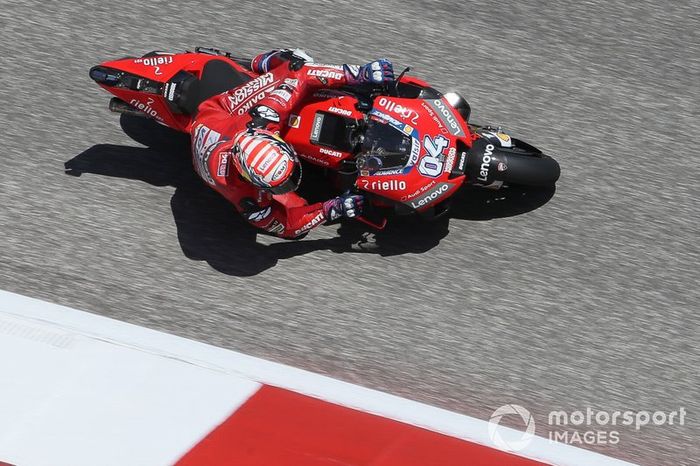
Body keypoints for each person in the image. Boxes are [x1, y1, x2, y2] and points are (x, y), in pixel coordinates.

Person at [189, 49, 395, 238]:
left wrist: (358, 74)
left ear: (275, 140)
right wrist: (331, 209)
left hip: (225, 117)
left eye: (290, 175)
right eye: (282, 184)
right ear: (249, 179)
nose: (292, 182)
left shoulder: (263, 117)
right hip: (213, 127)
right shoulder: (246, 199)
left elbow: (301, 74)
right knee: (299, 215)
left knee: (296, 61)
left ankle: (260, 62)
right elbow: (287, 227)